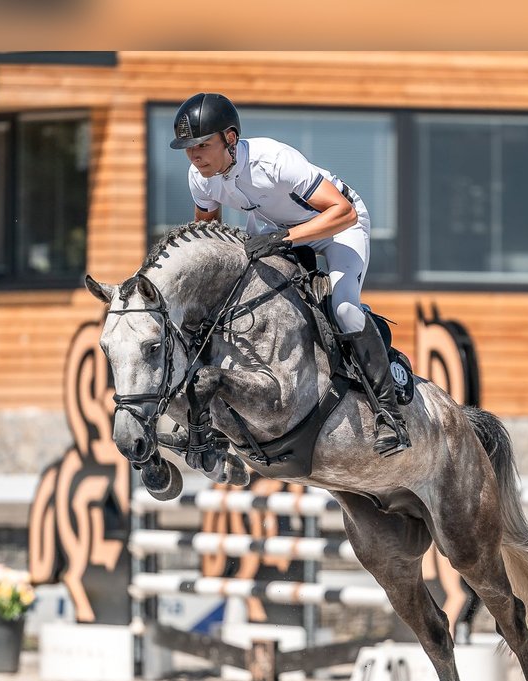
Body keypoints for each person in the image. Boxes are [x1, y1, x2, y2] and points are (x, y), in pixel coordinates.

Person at [169, 92, 410, 457]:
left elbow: (341, 210)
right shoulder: (201, 178)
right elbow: (209, 239)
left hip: (337, 226)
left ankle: (389, 414)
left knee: (343, 308)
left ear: (230, 139)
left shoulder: (273, 160)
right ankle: (205, 419)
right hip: (275, 231)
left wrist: (285, 238)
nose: (194, 155)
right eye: (189, 148)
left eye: (202, 145)